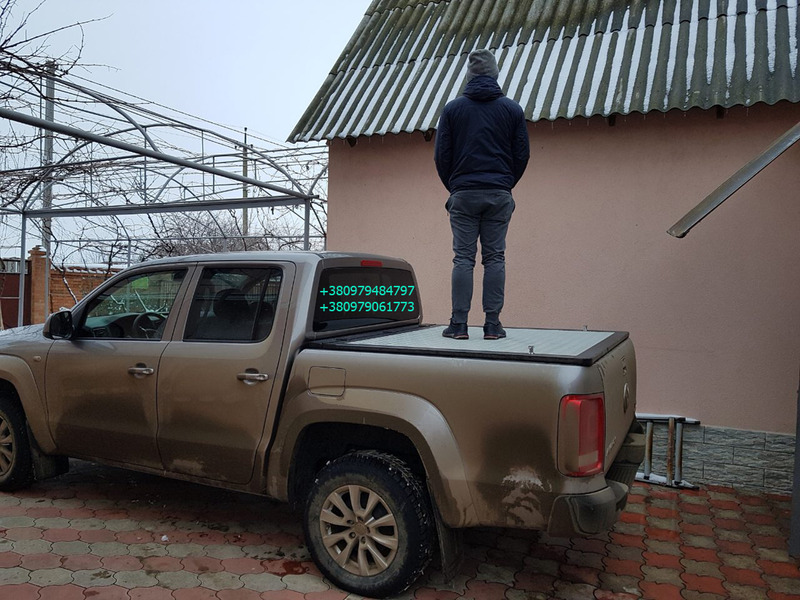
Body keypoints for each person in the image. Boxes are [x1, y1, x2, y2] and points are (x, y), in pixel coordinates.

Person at [434, 49, 529, 340]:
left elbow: (441, 156)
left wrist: (455, 186)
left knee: (463, 258)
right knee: (495, 258)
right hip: (499, 194)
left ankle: (459, 325)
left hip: (464, 194)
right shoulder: (512, 110)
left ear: (469, 75)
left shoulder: (452, 110)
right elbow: (522, 155)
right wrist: (505, 184)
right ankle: (492, 325)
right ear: (495, 74)